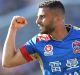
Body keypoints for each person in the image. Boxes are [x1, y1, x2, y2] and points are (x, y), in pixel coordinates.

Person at [2, 0, 80, 75]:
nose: (37, 21)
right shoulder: (38, 42)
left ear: (57, 19)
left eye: (42, 17)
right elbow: (8, 62)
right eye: (38, 17)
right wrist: (12, 29)